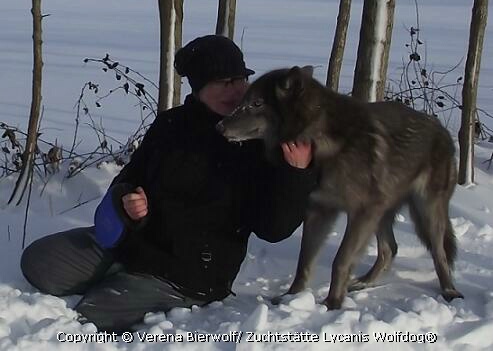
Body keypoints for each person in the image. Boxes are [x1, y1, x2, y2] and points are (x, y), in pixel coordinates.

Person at [20, 35, 317, 333]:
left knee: (92, 314)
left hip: (190, 272)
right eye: (224, 82)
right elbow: (128, 179)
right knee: (38, 262)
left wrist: (296, 173)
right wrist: (128, 201)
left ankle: (143, 289)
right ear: (199, 87)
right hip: (134, 243)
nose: (237, 89)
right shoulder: (170, 124)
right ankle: (121, 274)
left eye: (240, 79)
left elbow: (274, 229)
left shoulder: (257, 139)